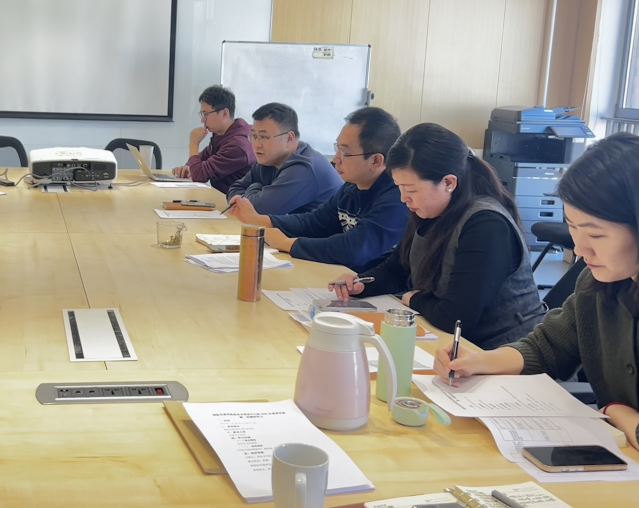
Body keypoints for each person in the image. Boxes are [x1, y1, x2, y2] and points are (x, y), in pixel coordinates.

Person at [434, 133, 639, 450]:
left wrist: (616, 411)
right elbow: (548, 347)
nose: (580, 250)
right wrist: (480, 361)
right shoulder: (597, 285)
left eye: (597, 235)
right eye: (572, 226)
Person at [331, 122, 544, 350]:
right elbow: (399, 268)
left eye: (411, 189)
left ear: (448, 183)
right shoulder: (432, 209)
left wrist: (414, 299)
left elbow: (456, 317)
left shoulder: (486, 225)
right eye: (399, 187)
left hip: (502, 352)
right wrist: (363, 283)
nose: (403, 198)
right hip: (455, 344)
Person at [229, 107, 406, 274]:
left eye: (345, 152)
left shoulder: (397, 198)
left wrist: (287, 243)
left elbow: (355, 248)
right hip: (342, 277)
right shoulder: (352, 187)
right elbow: (314, 222)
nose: (335, 159)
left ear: (376, 161)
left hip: (376, 287)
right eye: (337, 148)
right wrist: (262, 221)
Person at [226, 102, 341, 215]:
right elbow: (234, 189)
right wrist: (257, 193)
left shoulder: (303, 168)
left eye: (263, 137)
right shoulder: (270, 159)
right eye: (254, 136)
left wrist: (255, 186)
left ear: (289, 138)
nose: (256, 144)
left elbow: (260, 210)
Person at [171, 85, 255, 195]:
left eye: (206, 114)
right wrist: (188, 167)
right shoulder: (223, 135)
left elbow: (199, 175)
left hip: (237, 202)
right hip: (222, 198)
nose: (202, 120)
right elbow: (203, 158)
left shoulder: (238, 145)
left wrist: (193, 144)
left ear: (225, 113)